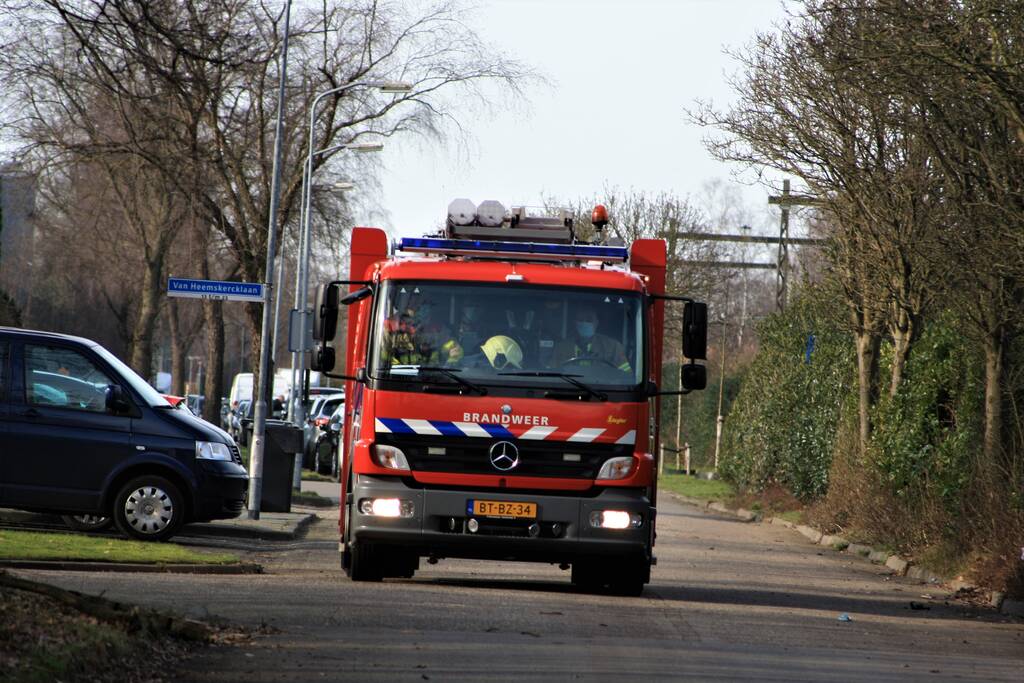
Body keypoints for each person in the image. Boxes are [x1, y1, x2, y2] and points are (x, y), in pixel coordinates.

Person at [550, 307, 631, 372]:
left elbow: (625, 375)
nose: (584, 323)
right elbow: (552, 374)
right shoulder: (561, 347)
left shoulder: (613, 346)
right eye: (581, 320)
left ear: (596, 323)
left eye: (589, 320)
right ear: (575, 323)